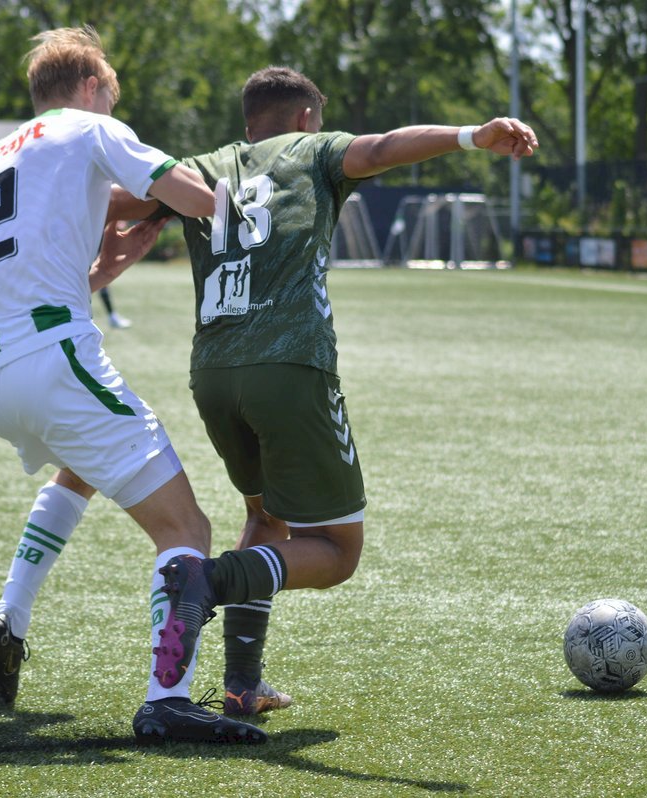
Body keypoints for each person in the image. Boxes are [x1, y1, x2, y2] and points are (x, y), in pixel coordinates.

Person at [107, 67, 538, 718]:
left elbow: (116, 202)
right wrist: (471, 136)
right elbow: (384, 147)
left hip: (213, 374)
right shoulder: (313, 150)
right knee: (337, 552)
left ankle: (241, 685)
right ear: (307, 117)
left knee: (265, 519)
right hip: (289, 367)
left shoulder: (201, 168)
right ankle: (206, 579)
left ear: (249, 121)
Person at [0, 25, 266, 746]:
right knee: (185, 530)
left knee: (82, 463)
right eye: (110, 97)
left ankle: (9, 619)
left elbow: (32, 267)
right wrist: (245, 209)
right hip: (49, 362)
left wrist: (105, 271)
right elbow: (187, 193)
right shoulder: (91, 127)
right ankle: (168, 699)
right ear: (92, 87)